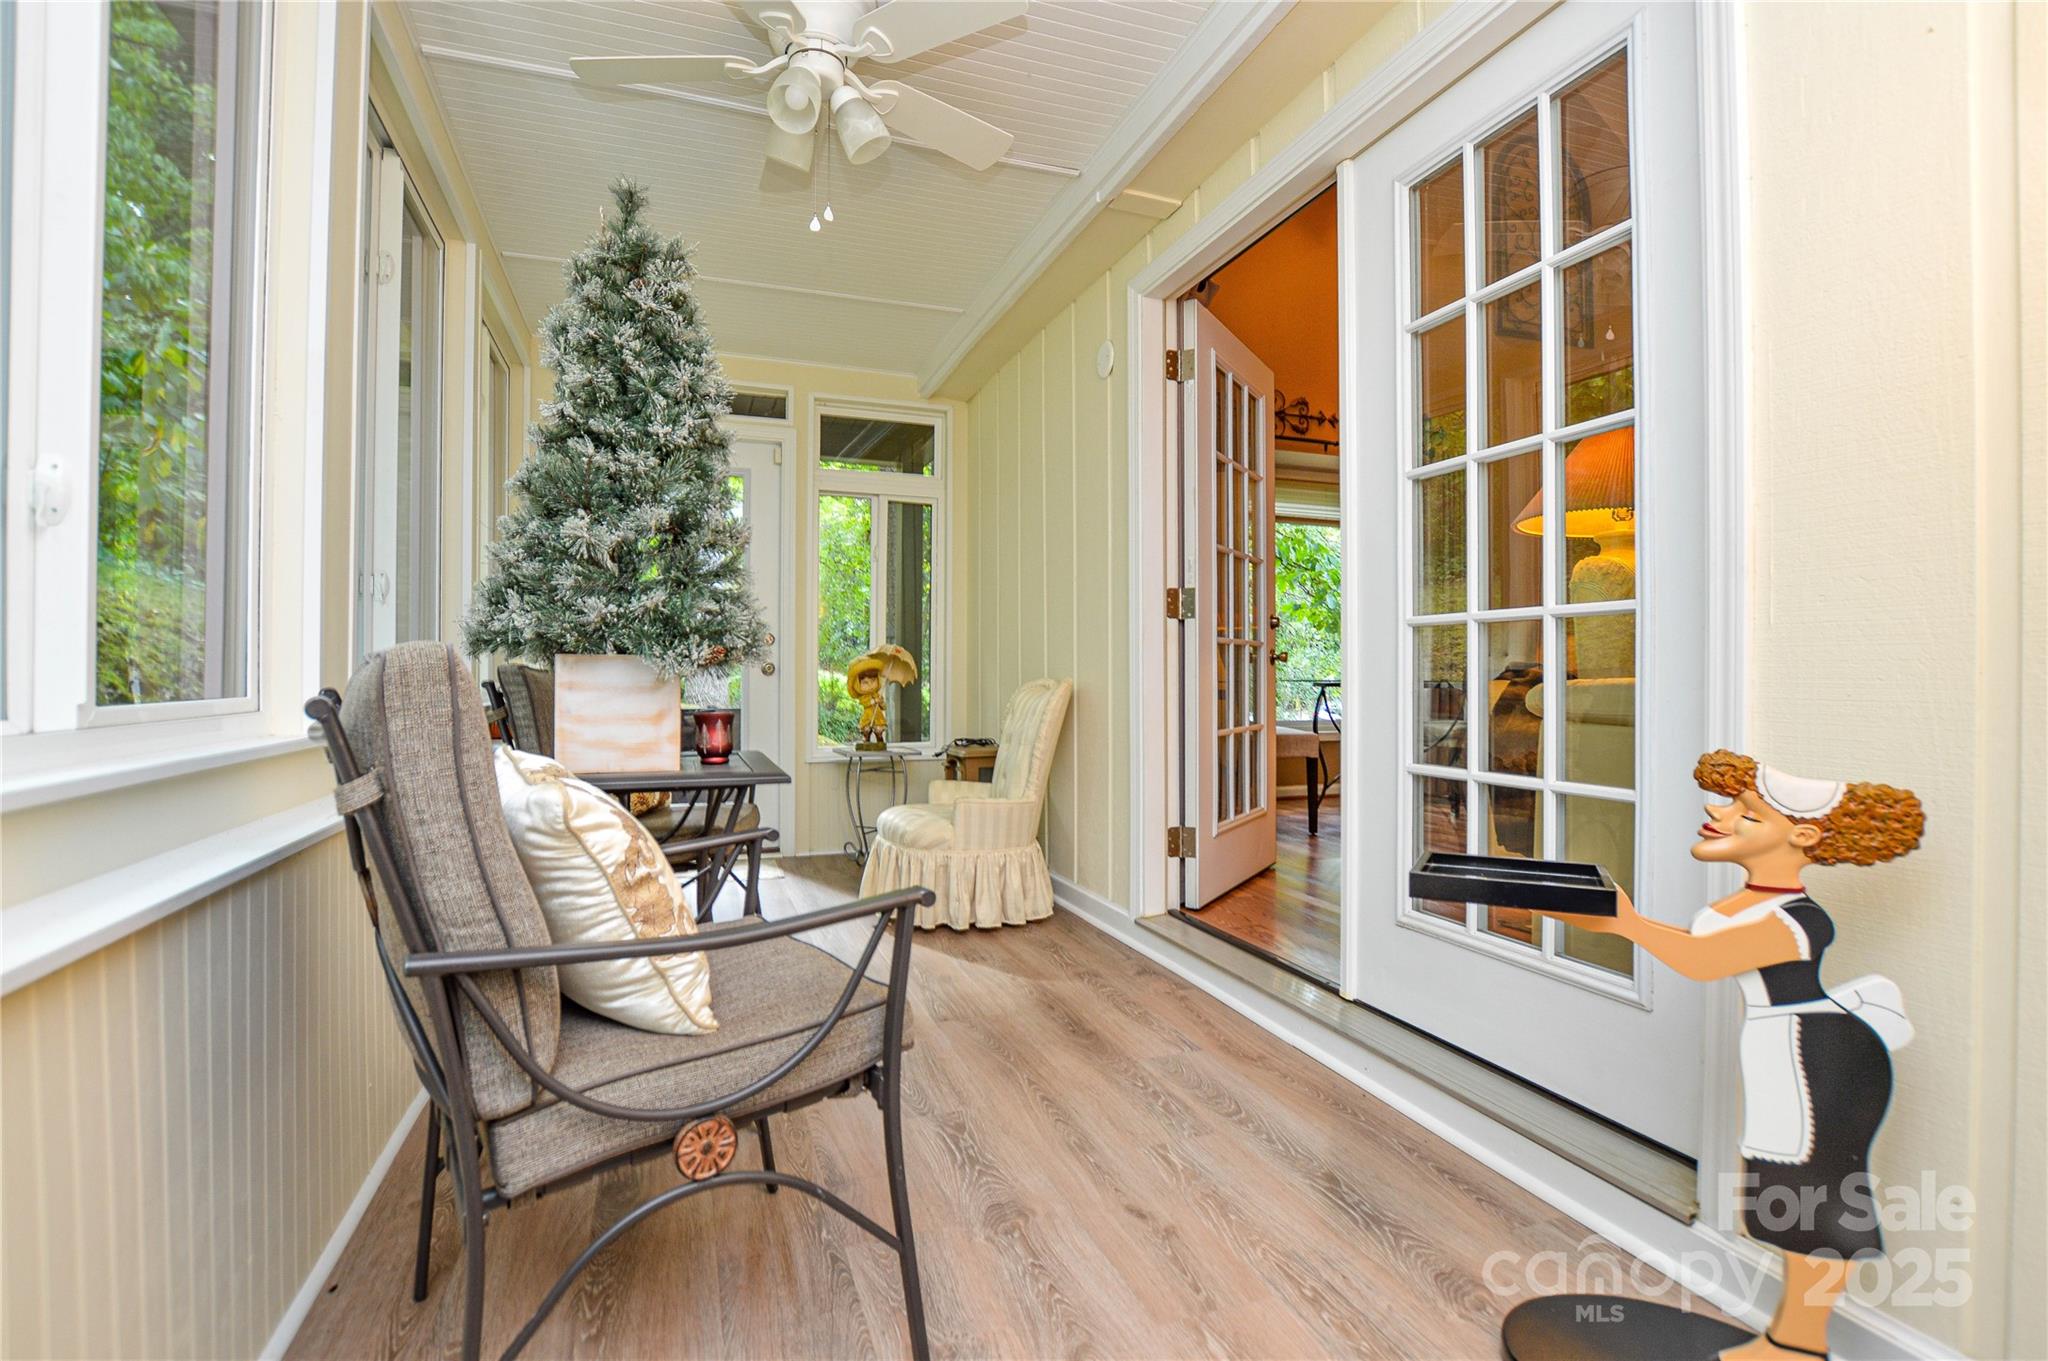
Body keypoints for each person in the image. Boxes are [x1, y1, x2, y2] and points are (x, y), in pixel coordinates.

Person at [1542, 750, 1923, 1360]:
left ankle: (1797, 1346)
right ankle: (1789, 1341)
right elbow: (1699, 947)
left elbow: (1702, 961)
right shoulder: (1755, 903)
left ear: (1802, 836)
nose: (1718, 816)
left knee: (1813, 1200)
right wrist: (1624, 922)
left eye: (1745, 815)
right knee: (1784, 1192)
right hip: (1786, 1048)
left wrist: (1625, 924)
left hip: (1817, 1057)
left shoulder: (1799, 919)